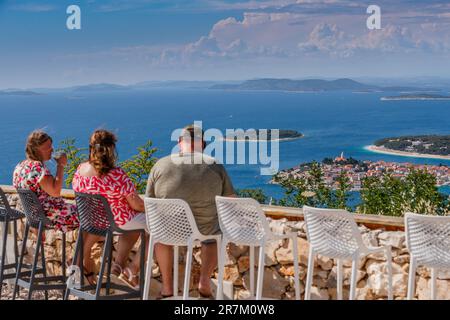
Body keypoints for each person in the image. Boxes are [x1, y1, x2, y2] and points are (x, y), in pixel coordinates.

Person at [145, 124, 236, 298]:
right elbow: (229, 201)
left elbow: (150, 201)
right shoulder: (214, 166)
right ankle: (204, 280)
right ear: (202, 144)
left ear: (180, 142)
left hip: (169, 229)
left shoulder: (160, 165)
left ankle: (167, 287)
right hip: (203, 230)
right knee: (213, 238)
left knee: (161, 239)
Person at [72, 129, 148, 288]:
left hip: (95, 223)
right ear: (112, 149)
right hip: (118, 221)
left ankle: (117, 267)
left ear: (91, 148)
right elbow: (136, 205)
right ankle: (132, 270)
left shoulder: (79, 170)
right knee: (157, 226)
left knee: (134, 227)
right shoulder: (117, 174)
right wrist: (153, 208)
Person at [13, 130, 79, 233]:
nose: (52, 150)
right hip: (50, 216)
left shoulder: (20, 166)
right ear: (36, 149)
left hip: (34, 216)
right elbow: (55, 192)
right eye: (48, 147)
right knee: (88, 216)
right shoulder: (37, 168)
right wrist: (60, 165)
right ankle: (86, 247)